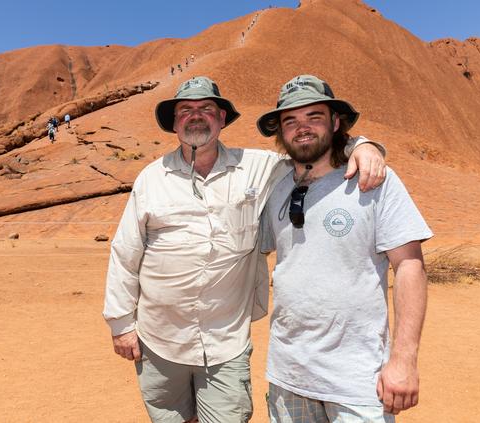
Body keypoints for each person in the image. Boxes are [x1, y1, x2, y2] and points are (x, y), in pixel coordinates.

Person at [103, 76, 386, 423]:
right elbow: (125, 252)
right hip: (159, 339)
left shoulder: (258, 167)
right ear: (175, 122)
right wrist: (121, 324)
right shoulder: (151, 177)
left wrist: (363, 145)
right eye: (186, 110)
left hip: (225, 341)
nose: (196, 116)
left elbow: (312, 149)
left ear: (222, 118)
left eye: (207, 108)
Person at [257, 74, 432, 422]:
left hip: (357, 382)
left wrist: (404, 360)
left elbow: (410, 265)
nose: (302, 128)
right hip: (287, 376)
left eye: (314, 117)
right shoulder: (274, 185)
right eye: (290, 121)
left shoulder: (375, 180)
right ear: (281, 132)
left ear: (336, 123)